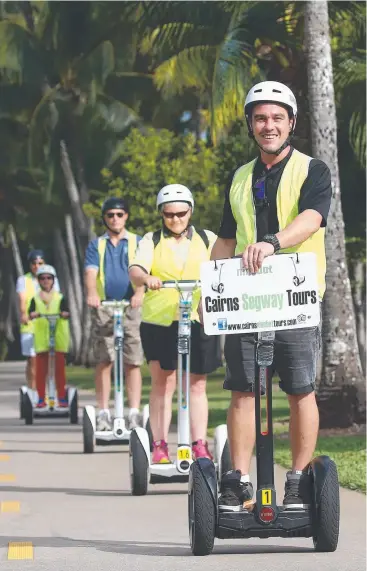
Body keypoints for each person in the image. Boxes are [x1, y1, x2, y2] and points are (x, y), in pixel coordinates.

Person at [210, 81, 332, 511]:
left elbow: (313, 219)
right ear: (250, 124)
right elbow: (227, 240)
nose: (269, 125)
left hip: (294, 297)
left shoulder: (312, 170)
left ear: (292, 122)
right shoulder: (241, 177)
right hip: (246, 300)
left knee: (299, 388)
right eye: (261, 118)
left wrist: (273, 243)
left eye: (278, 117)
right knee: (243, 390)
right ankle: (238, 480)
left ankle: (298, 481)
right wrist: (211, 290)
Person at [129, 184, 222, 464]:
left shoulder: (207, 239)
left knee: (197, 384)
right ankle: (159, 445)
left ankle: (199, 444)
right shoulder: (151, 240)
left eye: (181, 213)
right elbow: (135, 269)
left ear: (190, 211)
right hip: (160, 321)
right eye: (169, 215)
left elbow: (223, 266)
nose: (176, 220)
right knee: (163, 382)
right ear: (161, 214)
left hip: (198, 318)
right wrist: (146, 279)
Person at [84, 197, 144, 432]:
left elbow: (142, 270)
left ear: (126, 216)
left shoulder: (137, 242)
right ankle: (103, 411)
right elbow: (91, 272)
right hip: (104, 308)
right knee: (105, 359)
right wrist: (91, 294)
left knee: (132, 360)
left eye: (119, 214)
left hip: (131, 308)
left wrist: (139, 293)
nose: (115, 219)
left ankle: (135, 412)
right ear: (105, 218)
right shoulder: (96, 245)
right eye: (110, 215)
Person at [16, 249, 60, 393]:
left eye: (40, 263)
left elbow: (57, 298)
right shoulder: (24, 280)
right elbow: (22, 299)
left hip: (48, 324)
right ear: (30, 265)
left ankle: (49, 392)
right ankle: (33, 391)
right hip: (30, 325)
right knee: (33, 361)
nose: (37, 266)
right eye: (34, 263)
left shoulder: (52, 278)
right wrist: (24, 314)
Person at [28, 265, 69, 409]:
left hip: (58, 338)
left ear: (53, 280)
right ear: (38, 281)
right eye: (42, 278)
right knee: (41, 371)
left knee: (59, 370)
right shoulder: (35, 298)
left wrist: (64, 314)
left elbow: (66, 311)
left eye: (49, 278)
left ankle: (62, 397)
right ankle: (40, 398)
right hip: (42, 339)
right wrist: (32, 315)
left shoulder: (60, 297)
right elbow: (30, 313)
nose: (46, 281)